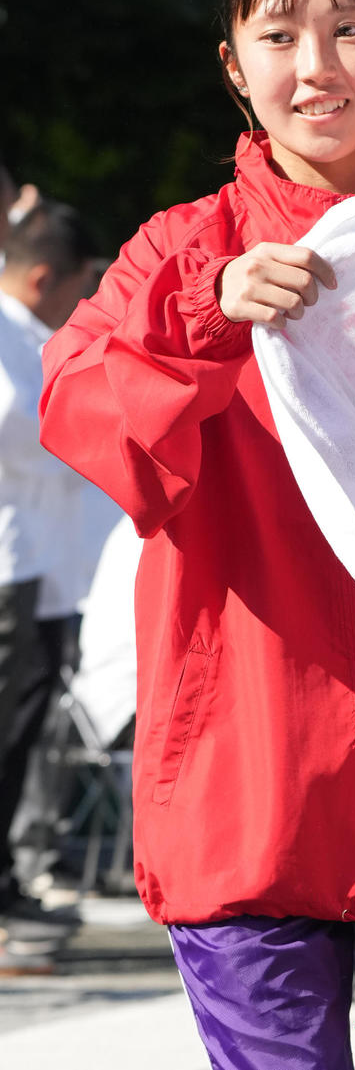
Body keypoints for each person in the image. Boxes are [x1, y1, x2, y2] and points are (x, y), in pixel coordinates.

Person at [40, 0, 355, 1068]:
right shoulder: (177, 251)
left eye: (349, 30)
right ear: (234, 65)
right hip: (245, 788)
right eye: (281, 33)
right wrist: (207, 315)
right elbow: (76, 409)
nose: (315, 66)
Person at [0, 202, 97, 952]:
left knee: (24, 731)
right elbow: (30, 431)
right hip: (10, 558)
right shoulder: (8, 335)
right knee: (7, 735)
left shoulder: (27, 334)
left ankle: (7, 882)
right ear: (43, 277)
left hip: (38, 562)